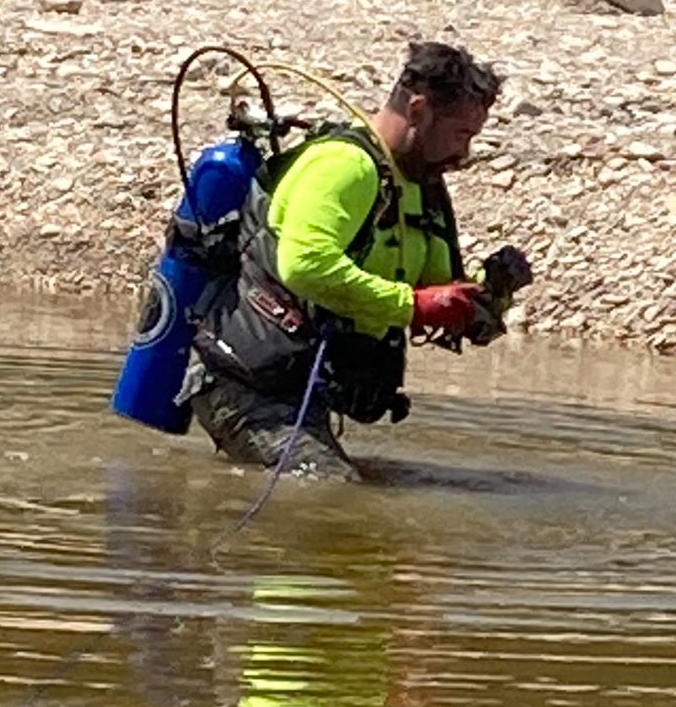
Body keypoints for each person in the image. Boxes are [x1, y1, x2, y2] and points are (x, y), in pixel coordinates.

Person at [180, 40, 527, 479]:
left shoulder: (420, 185)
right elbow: (304, 265)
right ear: (418, 110)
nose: (466, 153)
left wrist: (493, 291)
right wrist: (410, 306)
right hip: (241, 382)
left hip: (298, 388)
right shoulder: (344, 166)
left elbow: (439, 296)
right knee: (332, 488)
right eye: (461, 134)